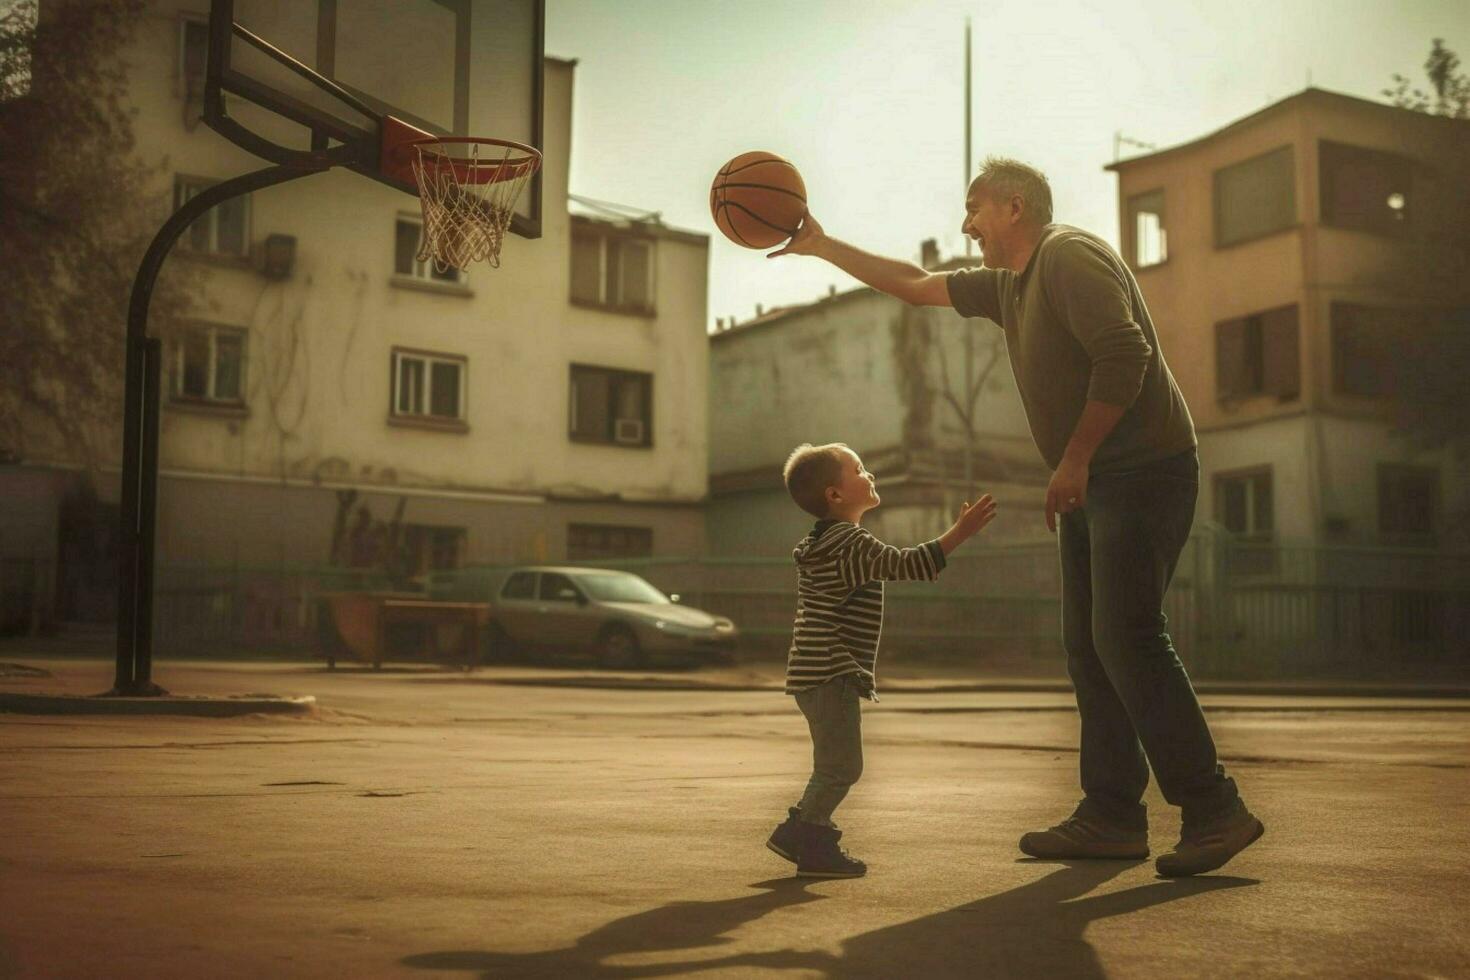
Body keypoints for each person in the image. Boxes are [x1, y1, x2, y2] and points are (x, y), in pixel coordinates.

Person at [770, 157, 1263, 877]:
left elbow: (1124, 353)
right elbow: (912, 284)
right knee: (1089, 647)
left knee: (1126, 637)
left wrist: (1075, 459)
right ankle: (1112, 816)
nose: (965, 225)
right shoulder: (1009, 287)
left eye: (974, 209)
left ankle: (1215, 809)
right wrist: (823, 245)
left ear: (1013, 206)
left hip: (1143, 469)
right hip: (1097, 479)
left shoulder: (1068, 255)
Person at [766, 442, 997, 877]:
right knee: (842, 767)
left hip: (814, 671)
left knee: (833, 764)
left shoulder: (825, 541)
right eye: (859, 468)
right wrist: (959, 533)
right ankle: (805, 835)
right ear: (835, 495)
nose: (869, 474)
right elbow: (904, 563)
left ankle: (805, 835)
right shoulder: (847, 542)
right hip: (830, 671)